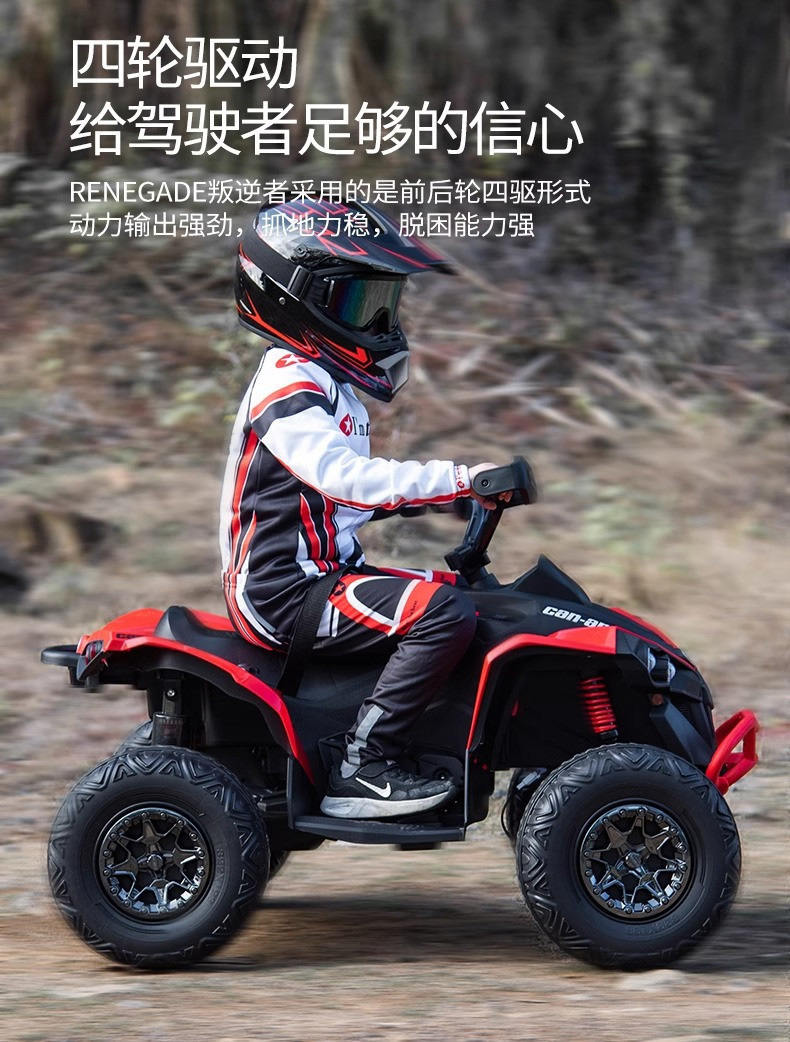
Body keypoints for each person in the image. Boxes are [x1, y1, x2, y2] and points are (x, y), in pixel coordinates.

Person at [219, 198, 506, 820]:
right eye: (356, 303)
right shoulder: (288, 381)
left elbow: (336, 503)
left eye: (382, 303)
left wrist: (453, 500)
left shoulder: (330, 387)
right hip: (282, 592)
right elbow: (345, 481)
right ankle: (362, 766)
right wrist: (459, 478)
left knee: (471, 599)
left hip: (322, 575)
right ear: (294, 298)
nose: (378, 321)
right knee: (442, 613)